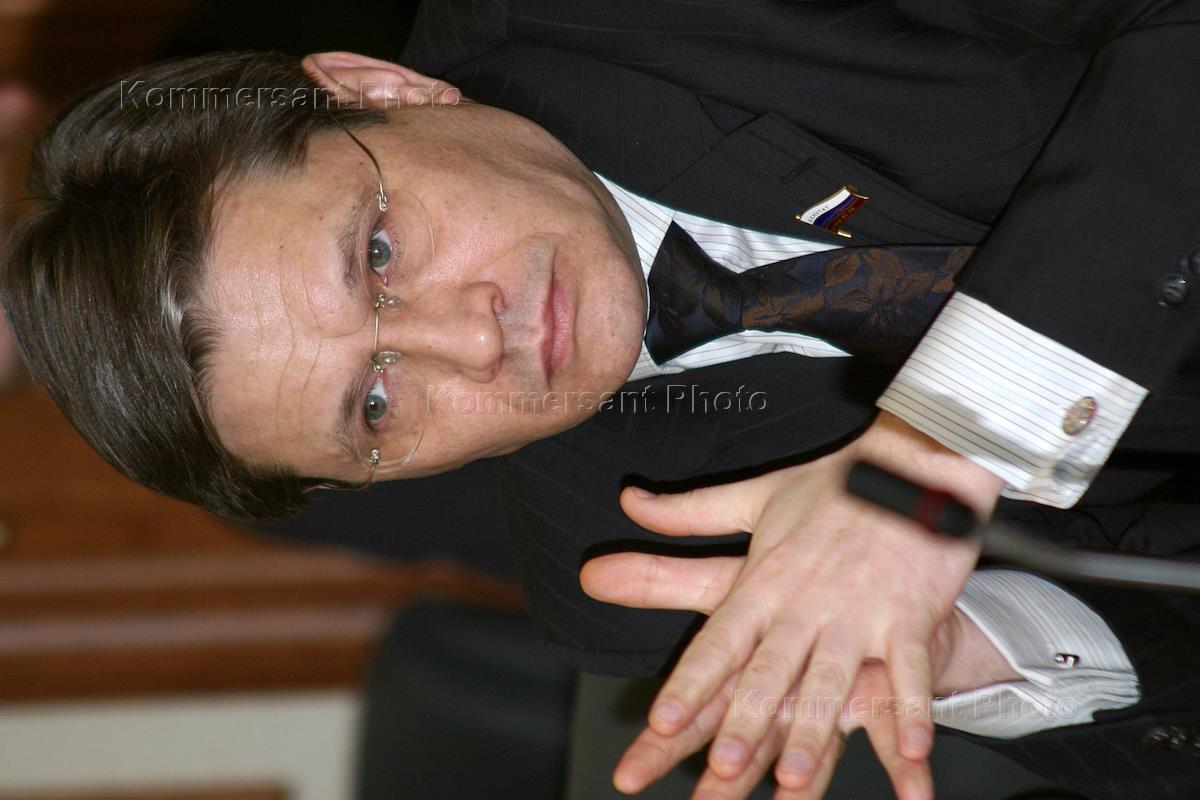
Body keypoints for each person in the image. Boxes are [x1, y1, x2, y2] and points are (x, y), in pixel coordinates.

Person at [1, 1, 1197, 796]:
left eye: (377, 251)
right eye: (374, 405)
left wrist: (948, 442)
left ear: (383, 89)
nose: (472, 337)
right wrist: (973, 645)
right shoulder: (635, 576)